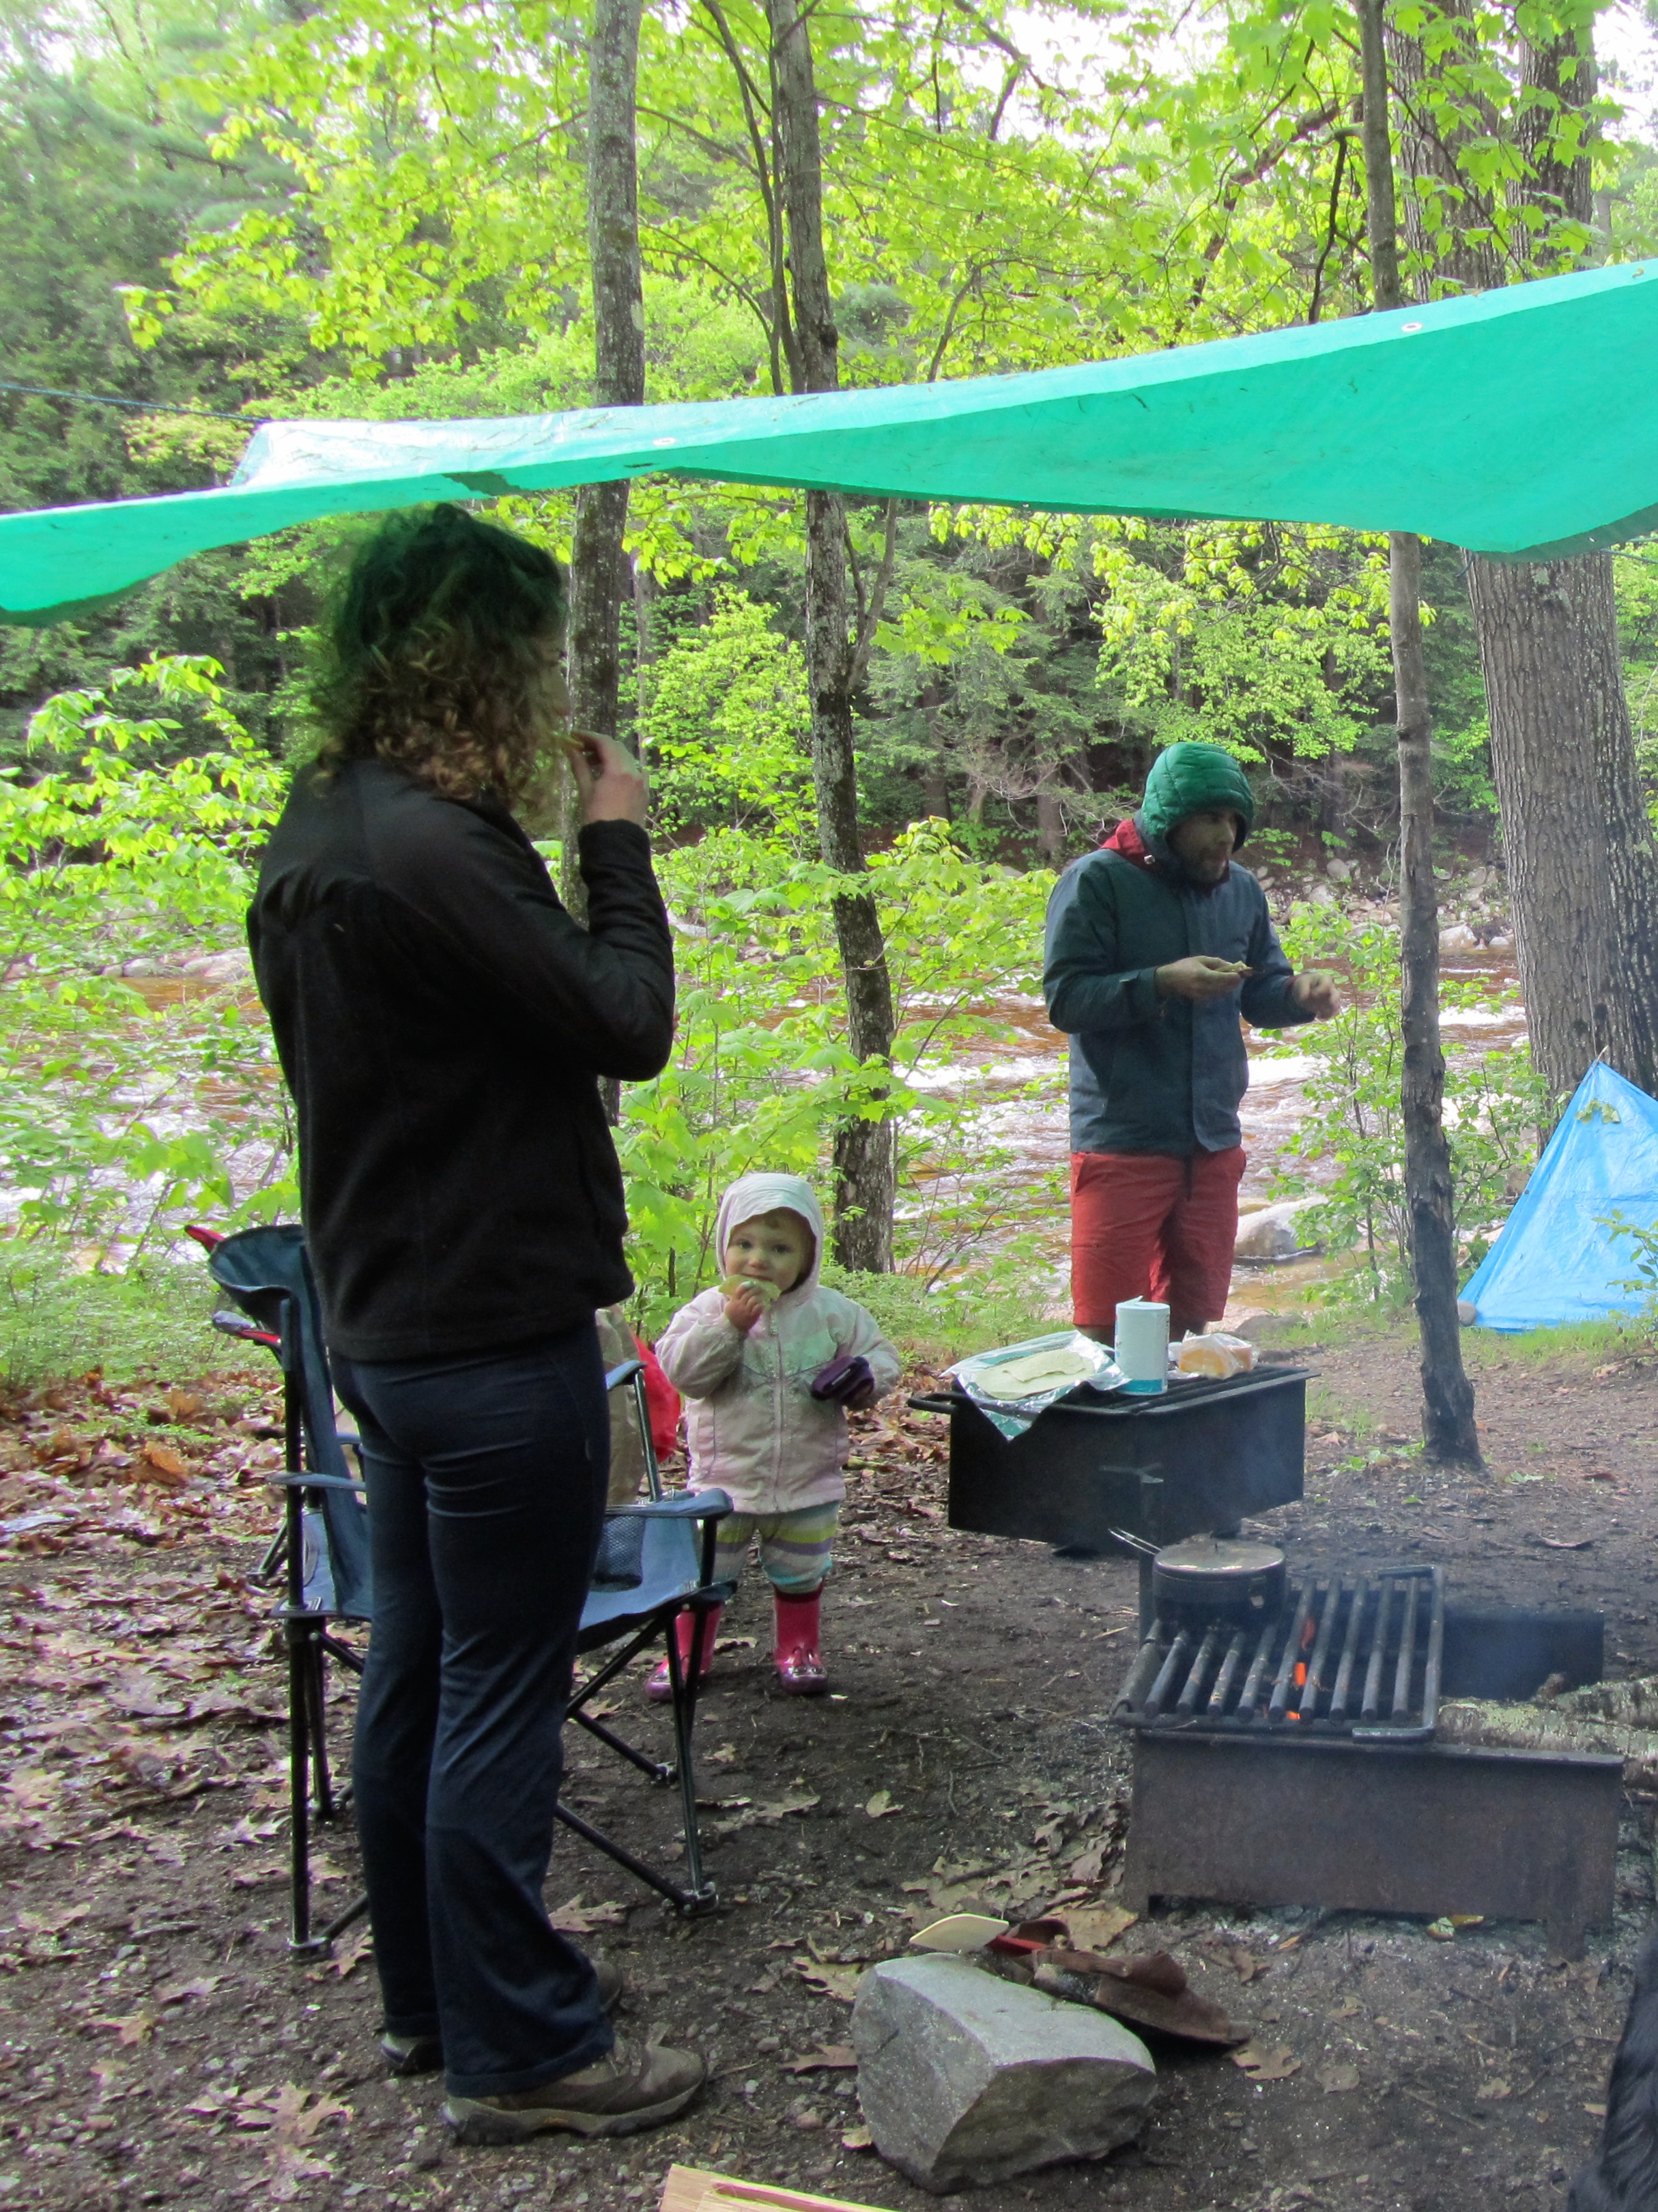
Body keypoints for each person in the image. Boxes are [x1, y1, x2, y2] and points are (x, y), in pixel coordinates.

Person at [249, 505, 703, 2142]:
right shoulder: (439, 849)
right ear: (480, 661)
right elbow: (626, 1021)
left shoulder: (320, 828)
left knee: (419, 1664)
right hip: (493, 1336)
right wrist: (616, 841)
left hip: (383, 1329)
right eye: (535, 656)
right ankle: (525, 2052)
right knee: (499, 1684)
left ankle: (431, 2000)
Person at [1042, 742, 1339, 1347]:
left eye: (1234, 820)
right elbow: (1065, 1001)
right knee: (1106, 1327)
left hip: (1213, 1143)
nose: (1226, 835)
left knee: (1194, 1323)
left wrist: (1298, 995)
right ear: (1169, 820)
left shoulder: (1241, 890)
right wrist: (1161, 982)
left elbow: (1261, 993)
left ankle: (1179, 1412)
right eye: (1209, 818)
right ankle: (1111, 1411)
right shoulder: (1097, 880)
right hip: (1123, 1139)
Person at [651, 1172, 900, 1699]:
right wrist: (730, 1328)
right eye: (744, 1244)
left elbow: (881, 1357)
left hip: (808, 1480)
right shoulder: (704, 1312)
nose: (758, 1261)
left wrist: (863, 1378)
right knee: (705, 1571)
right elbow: (685, 1374)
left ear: (808, 1257)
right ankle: (689, 1651)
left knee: (801, 1570)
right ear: (724, 1245)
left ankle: (799, 1648)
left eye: (780, 1249)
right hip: (725, 1481)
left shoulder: (833, 1313)